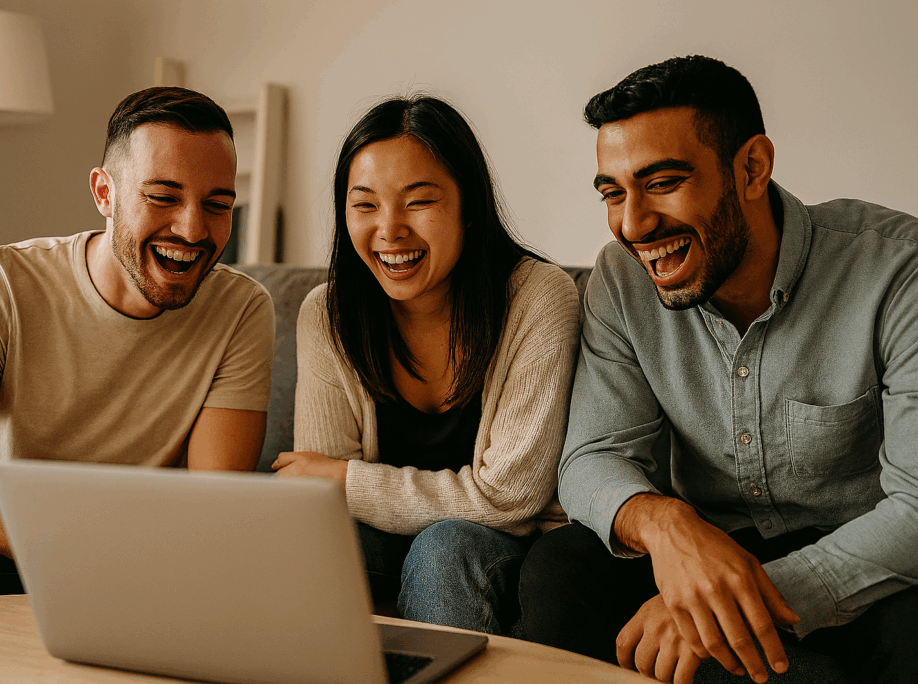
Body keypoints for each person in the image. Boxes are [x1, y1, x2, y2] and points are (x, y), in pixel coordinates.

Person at [519, 55, 918, 684]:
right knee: (560, 566)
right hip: (702, 545)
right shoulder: (620, 280)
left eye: (662, 183)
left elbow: (916, 510)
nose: (633, 224)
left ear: (752, 168)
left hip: (861, 560)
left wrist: (727, 604)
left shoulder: (897, 272)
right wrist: (667, 525)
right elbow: (592, 456)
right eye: (613, 192)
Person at [0, 87, 275, 610]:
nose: (192, 229)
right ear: (104, 192)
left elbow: (212, 505)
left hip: (144, 564)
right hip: (5, 541)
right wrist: (73, 554)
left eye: (217, 205)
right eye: (163, 197)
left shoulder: (242, 309)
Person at [271, 96, 581, 635]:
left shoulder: (539, 297)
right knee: (313, 541)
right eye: (364, 205)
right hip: (387, 540)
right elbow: (319, 493)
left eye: (418, 202)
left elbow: (509, 499)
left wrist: (348, 479)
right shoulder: (326, 313)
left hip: (509, 546)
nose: (390, 230)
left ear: (468, 206)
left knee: (444, 549)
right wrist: (336, 484)